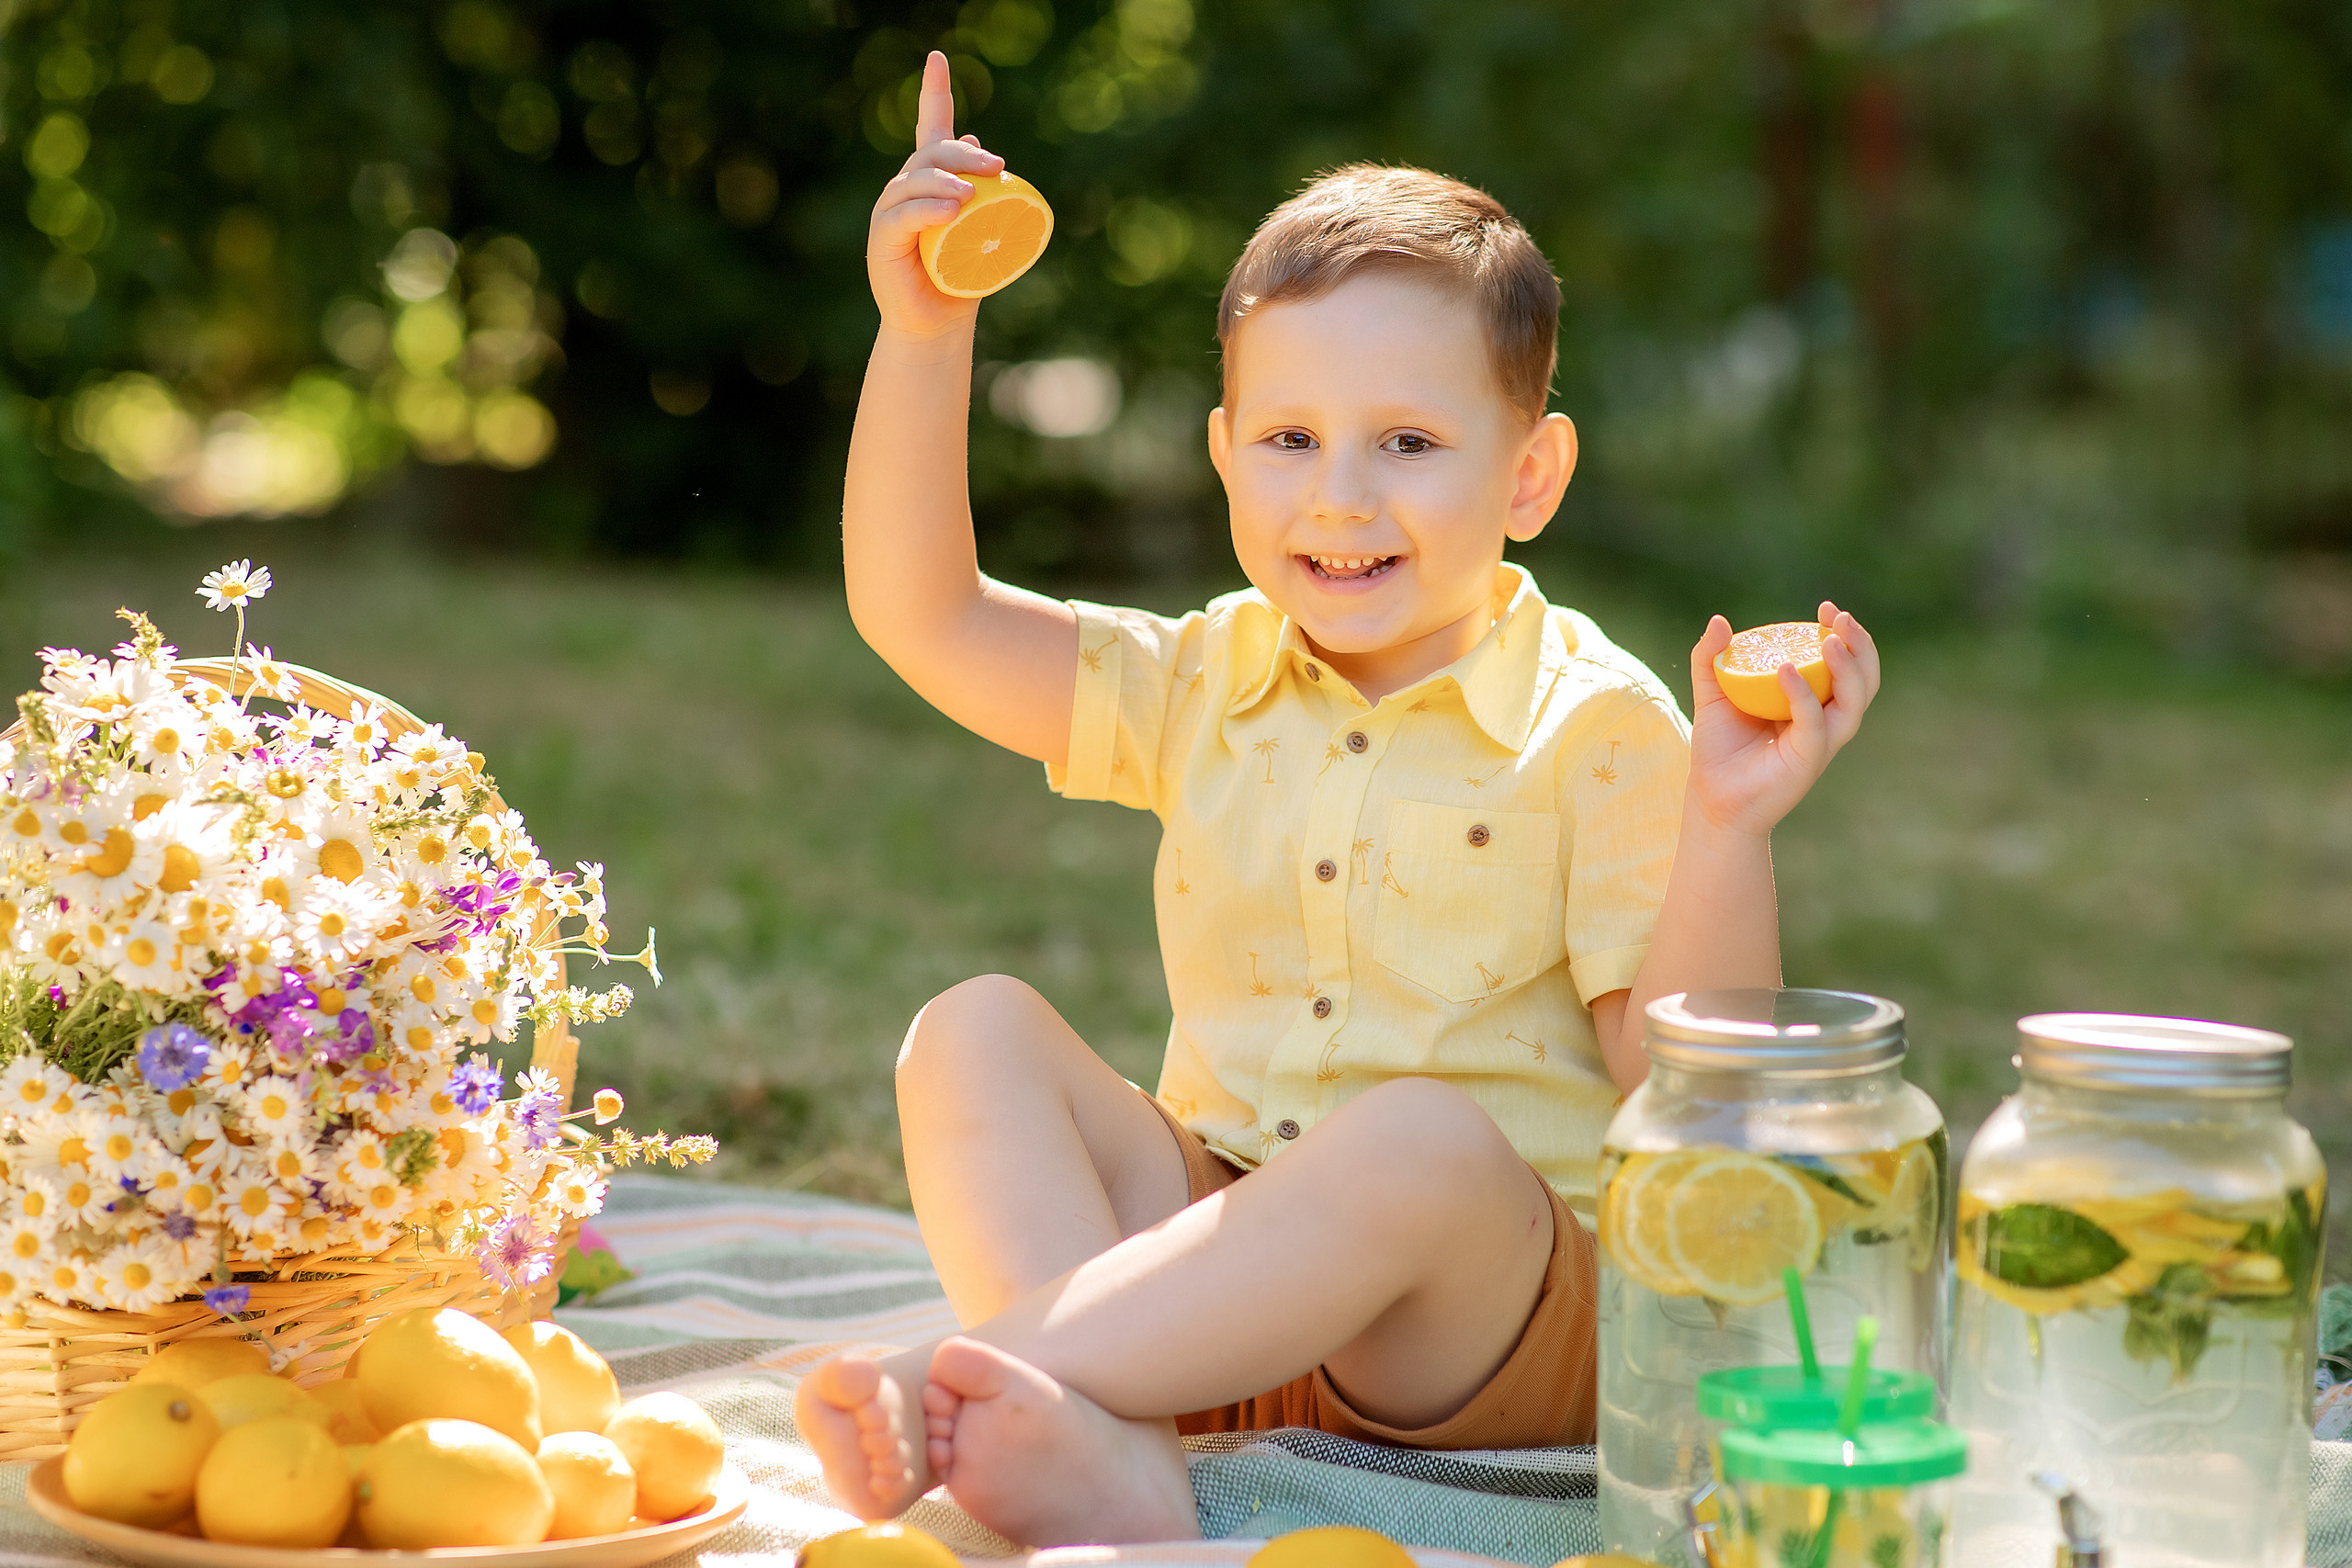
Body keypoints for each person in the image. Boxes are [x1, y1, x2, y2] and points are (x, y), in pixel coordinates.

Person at [800, 49, 1883, 1549]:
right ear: (1224, 454)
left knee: (1415, 1141)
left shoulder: (1600, 724)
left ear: (1530, 477)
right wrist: (924, 329)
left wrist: (1728, 822)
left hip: (1483, 1321)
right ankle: (1101, 1444)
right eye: (1291, 439)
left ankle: (991, 1373)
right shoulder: (1207, 678)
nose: (1341, 498)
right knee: (969, 1030)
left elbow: (1690, 1096)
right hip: (1216, 1284)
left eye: (1412, 444)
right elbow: (924, 613)